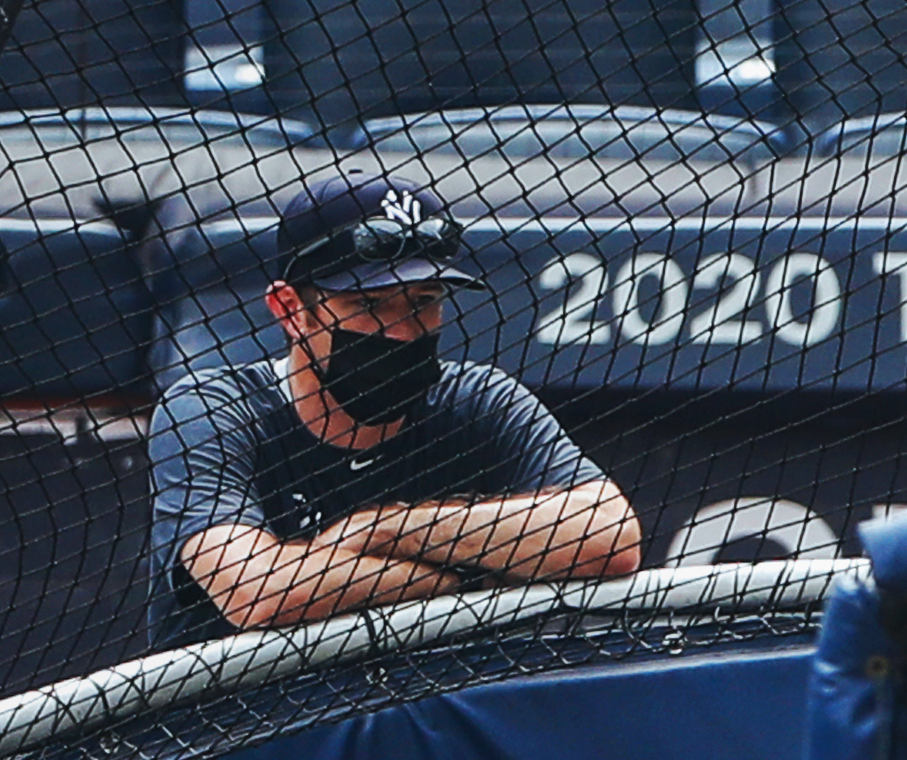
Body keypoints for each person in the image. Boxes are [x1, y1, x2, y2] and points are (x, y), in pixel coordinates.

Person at [146, 177, 641, 646]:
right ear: (291, 310)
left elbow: (611, 537)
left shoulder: (479, 398)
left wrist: (382, 531)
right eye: (370, 304)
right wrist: (475, 573)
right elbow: (262, 593)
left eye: (424, 301)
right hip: (248, 725)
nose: (403, 331)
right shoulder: (211, 409)